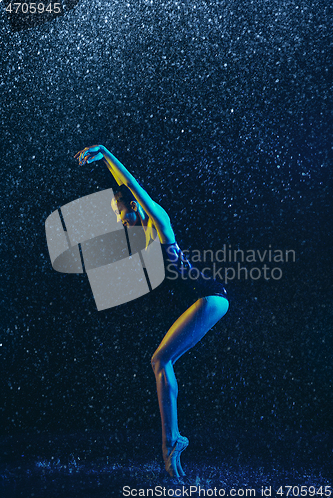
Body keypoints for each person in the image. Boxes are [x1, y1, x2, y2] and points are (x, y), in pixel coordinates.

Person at [75, 145, 229, 478]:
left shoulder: (159, 223)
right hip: (207, 298)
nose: (117, 218)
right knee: (161, 361)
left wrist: (105, 154)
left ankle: (170, 441)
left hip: (209, 295)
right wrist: (106, 166)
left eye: (118, 210)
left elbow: (133, 186)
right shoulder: (144, 236)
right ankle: (172, 441)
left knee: (161, 361)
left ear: (133, 206)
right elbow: (126, 190)